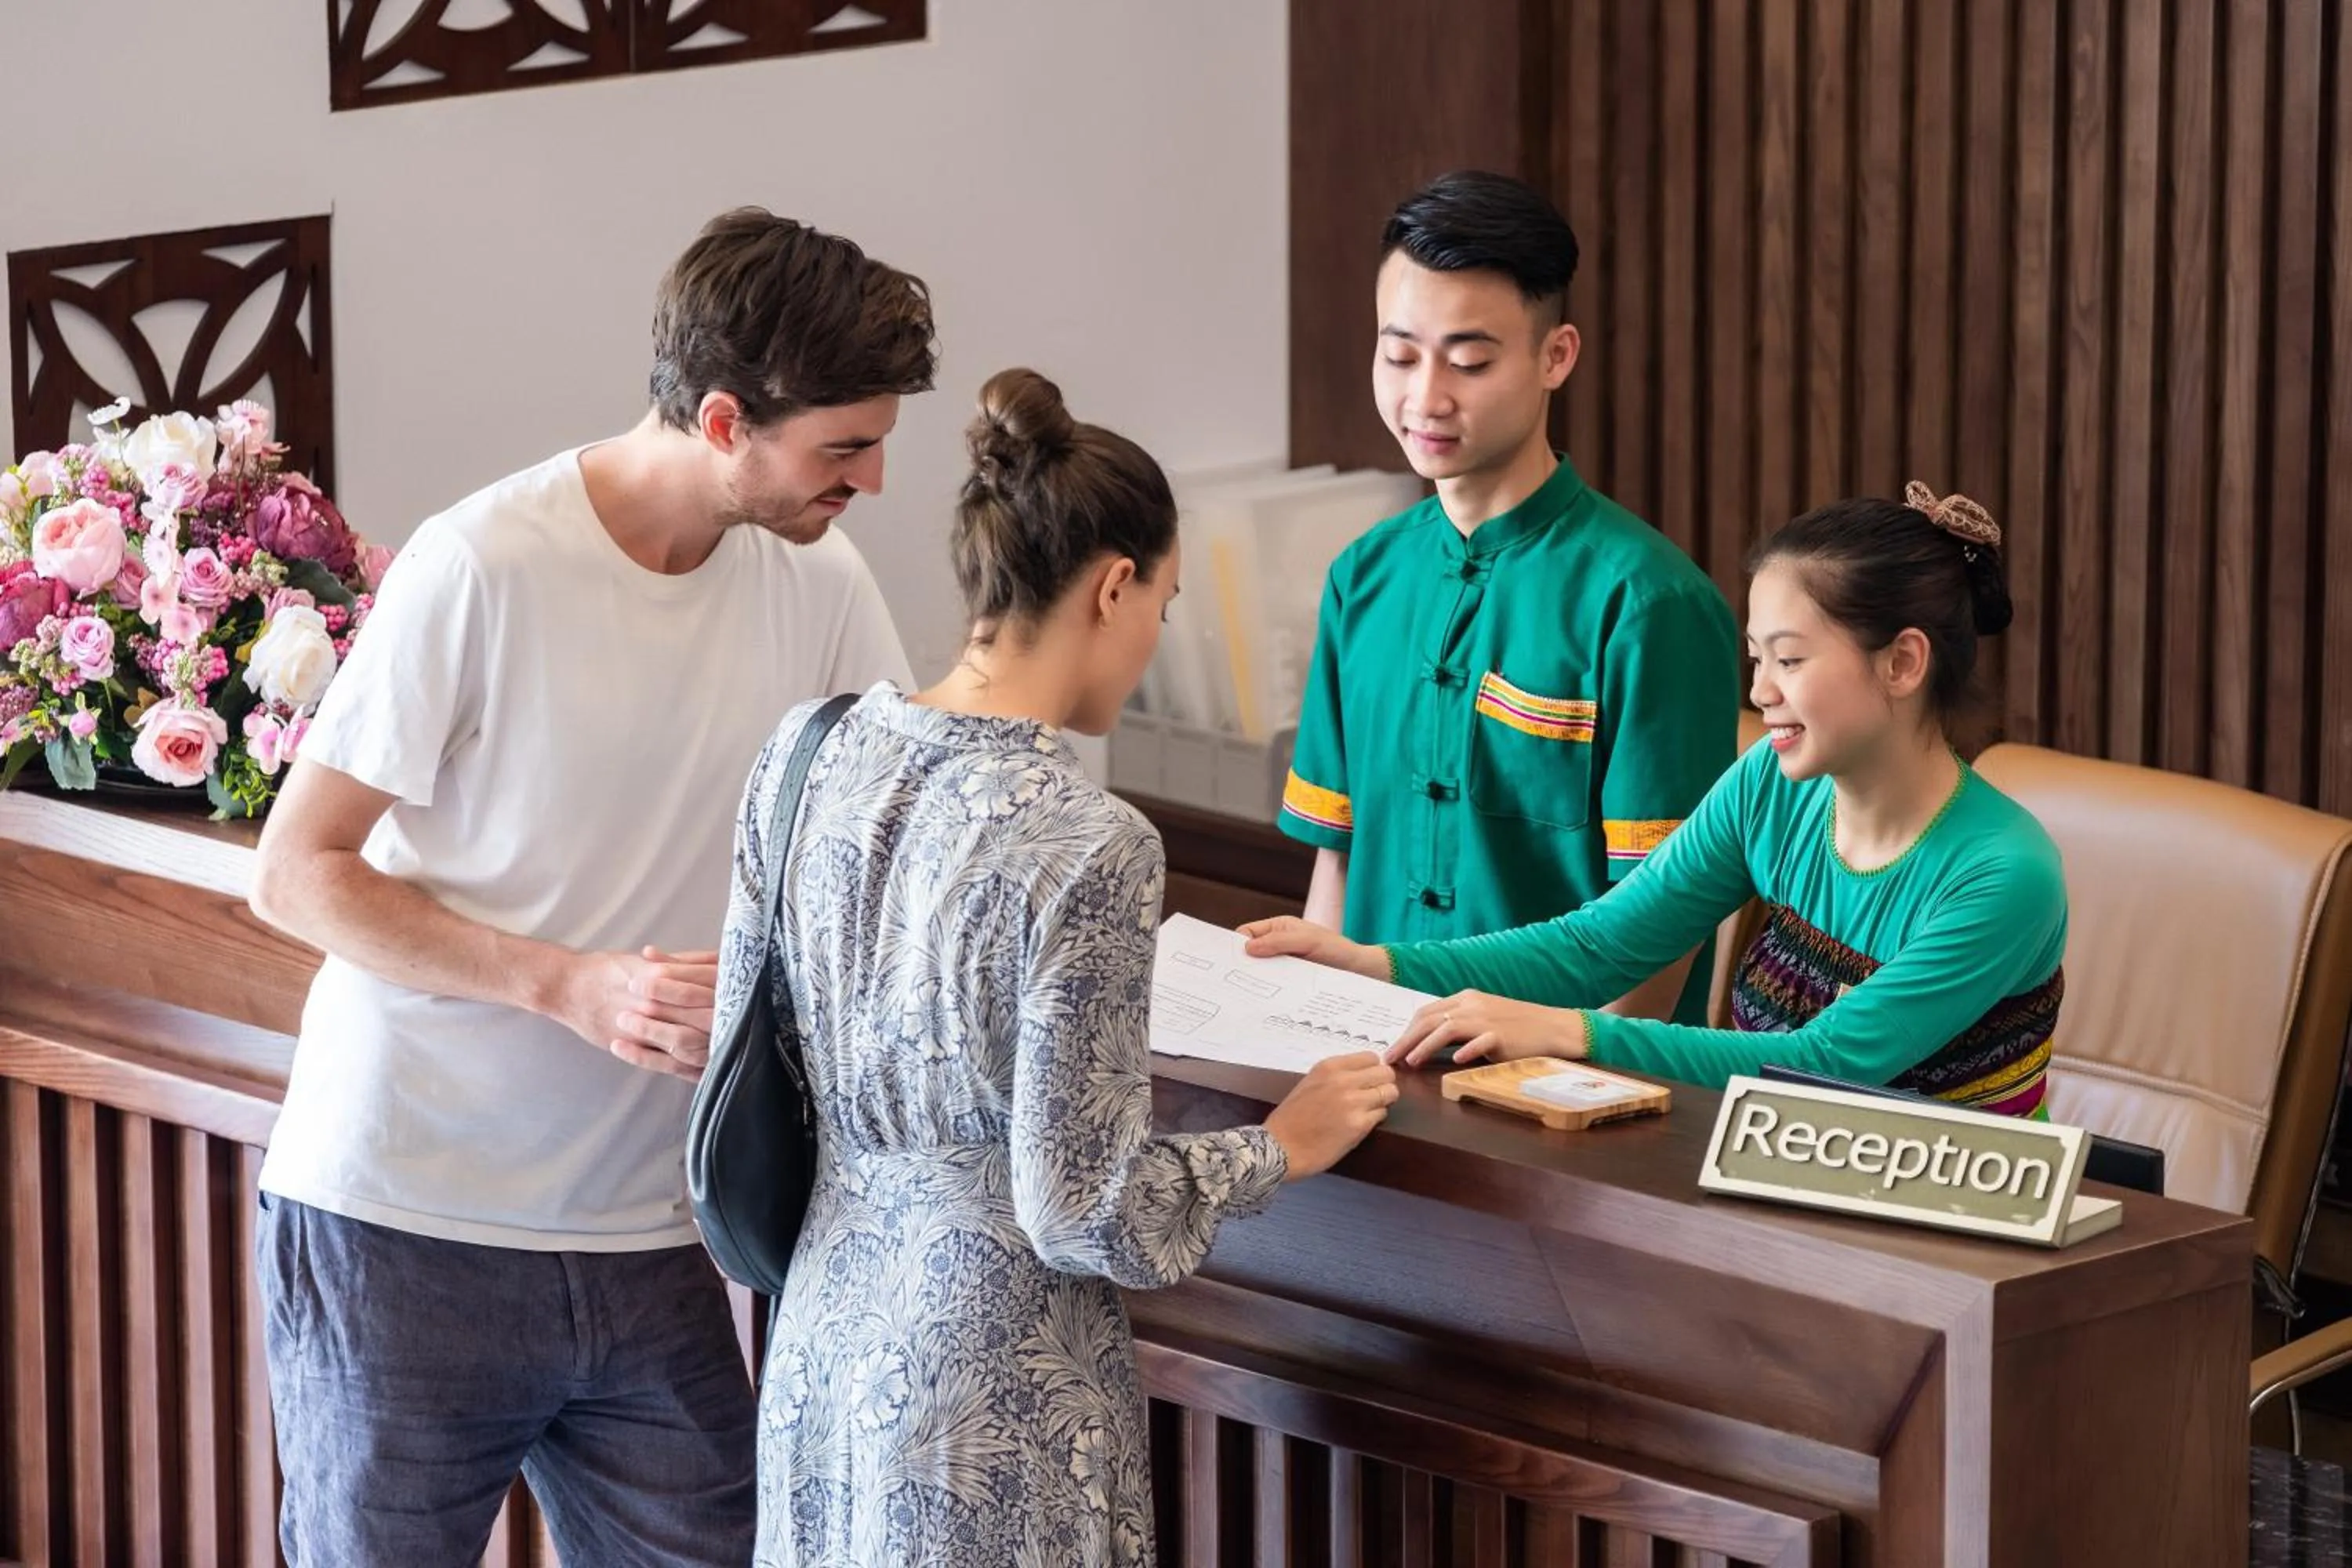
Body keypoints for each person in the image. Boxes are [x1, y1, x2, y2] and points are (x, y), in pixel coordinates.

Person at [245, 208, 935, 1566]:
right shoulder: (482, 563)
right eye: (844, 449)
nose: (869, 483)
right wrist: (565, 984)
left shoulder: (822, 575)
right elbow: (294, 873)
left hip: (653, 1236)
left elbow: (890, 833)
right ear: (728, 421)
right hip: (403, 1225)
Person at [733, 368, 1397, 1565]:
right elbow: (1083, 1210)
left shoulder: (806, 754)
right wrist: (1277, 1146)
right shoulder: (1090, 843)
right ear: (1113, 585)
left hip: (821, 1332)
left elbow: (748, 1047)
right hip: (994, 1376)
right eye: (1166, 602)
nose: (1154, 640)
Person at [1247, 486, 2067, 1117]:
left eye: (1788, 660)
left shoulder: (2004, 873)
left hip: (1954, 1247)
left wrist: (1572, 1032)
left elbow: (1826, 1064)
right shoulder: (1771, 787)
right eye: (1756, 658)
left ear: (1902, 663)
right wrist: (1374, 964)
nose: (1760, 691)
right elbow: (1600, 942)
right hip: (1768, 1190)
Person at [1279, 169, 1740, 1024]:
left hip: (1562, 1094)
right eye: (1399, 353)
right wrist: (1313, 1035)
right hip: (1374, 1072)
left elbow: (1666, 923)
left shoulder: (1650, 604)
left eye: (1470, 360)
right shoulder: (1361, 578)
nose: (1426, 397)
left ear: (1555, 356)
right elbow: (1336, 867)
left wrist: (1580, 1091)